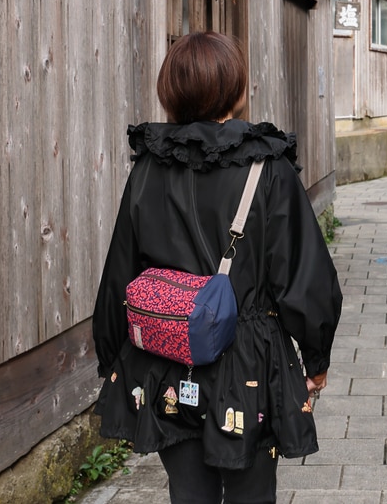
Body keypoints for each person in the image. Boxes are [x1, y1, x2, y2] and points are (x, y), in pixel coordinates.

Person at [92, 31, 342, 504]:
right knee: (251, 493)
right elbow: (304, 278)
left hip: (165, 360)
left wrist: (112, 358)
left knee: (188, 493)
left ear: (171, 90)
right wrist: (316, 359)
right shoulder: (267, 169)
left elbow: (119, 275)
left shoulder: (148, 167)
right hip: (246, 363)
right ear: (238, 88)